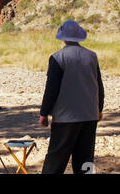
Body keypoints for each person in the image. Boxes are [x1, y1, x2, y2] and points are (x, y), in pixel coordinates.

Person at [39, 20, 104, 174]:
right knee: (85, 159)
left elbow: (51, 89)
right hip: (89, 115)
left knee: (56, 158)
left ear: (63, 37)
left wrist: (44, 113)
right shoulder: (92, 56)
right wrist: (99, 108)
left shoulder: (58, 57)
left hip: (65, 117)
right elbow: (99, 85)